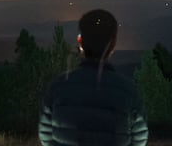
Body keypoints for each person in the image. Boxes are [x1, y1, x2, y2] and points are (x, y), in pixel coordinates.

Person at [38, 8, 148, 146]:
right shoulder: (128, 92)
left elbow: (46, 136)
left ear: (80, 42)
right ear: (113, 44)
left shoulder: (57, 88)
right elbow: (139, 138)